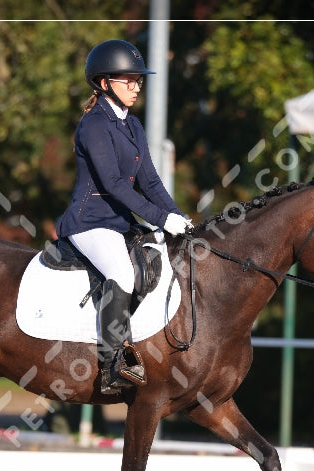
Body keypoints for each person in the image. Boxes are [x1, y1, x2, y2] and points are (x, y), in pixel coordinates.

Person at [55, 39, 192, 395]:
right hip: (89, 222)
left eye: (138, 80)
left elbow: (149, 180)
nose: (135, 86)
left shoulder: (132, 125)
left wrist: (178, 217)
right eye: (127, 80)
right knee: (121, 271)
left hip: (119, 223)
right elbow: (115, 185)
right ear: (104, 83)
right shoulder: (93, 125)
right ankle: (112, 364)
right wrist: (161, 219)